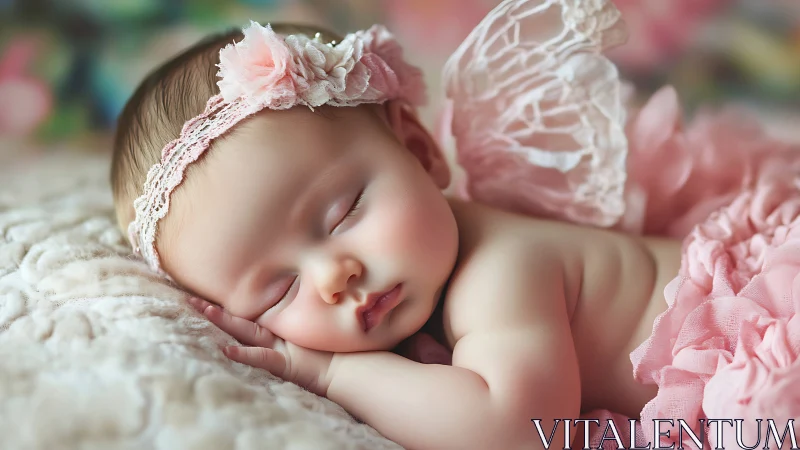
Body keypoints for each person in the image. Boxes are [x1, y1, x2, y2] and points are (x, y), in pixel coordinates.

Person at [110, 3, 800, 449]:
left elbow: (512, 429)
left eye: (344, 212)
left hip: (762, 339)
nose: (333, 277)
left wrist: (323, 372)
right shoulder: (429, 270)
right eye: (277, 291)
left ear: (417, 148)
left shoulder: (499, 269)